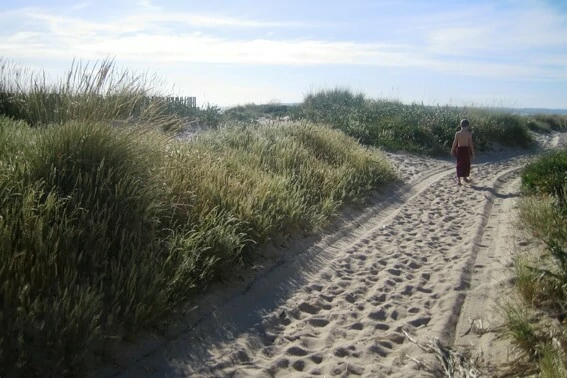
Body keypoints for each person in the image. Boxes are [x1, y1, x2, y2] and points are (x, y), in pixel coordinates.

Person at [450, 119, 475, 185]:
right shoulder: (469, 134)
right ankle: (465, 177)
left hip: (460, 150)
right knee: (466, 164)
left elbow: (455, 143)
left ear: (460, 125)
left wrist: (452, 150)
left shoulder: (457, 133)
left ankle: (459, 181)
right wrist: (473, 152)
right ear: (467, 126)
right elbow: (471, 144)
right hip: (466, 150)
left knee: (459, 164)